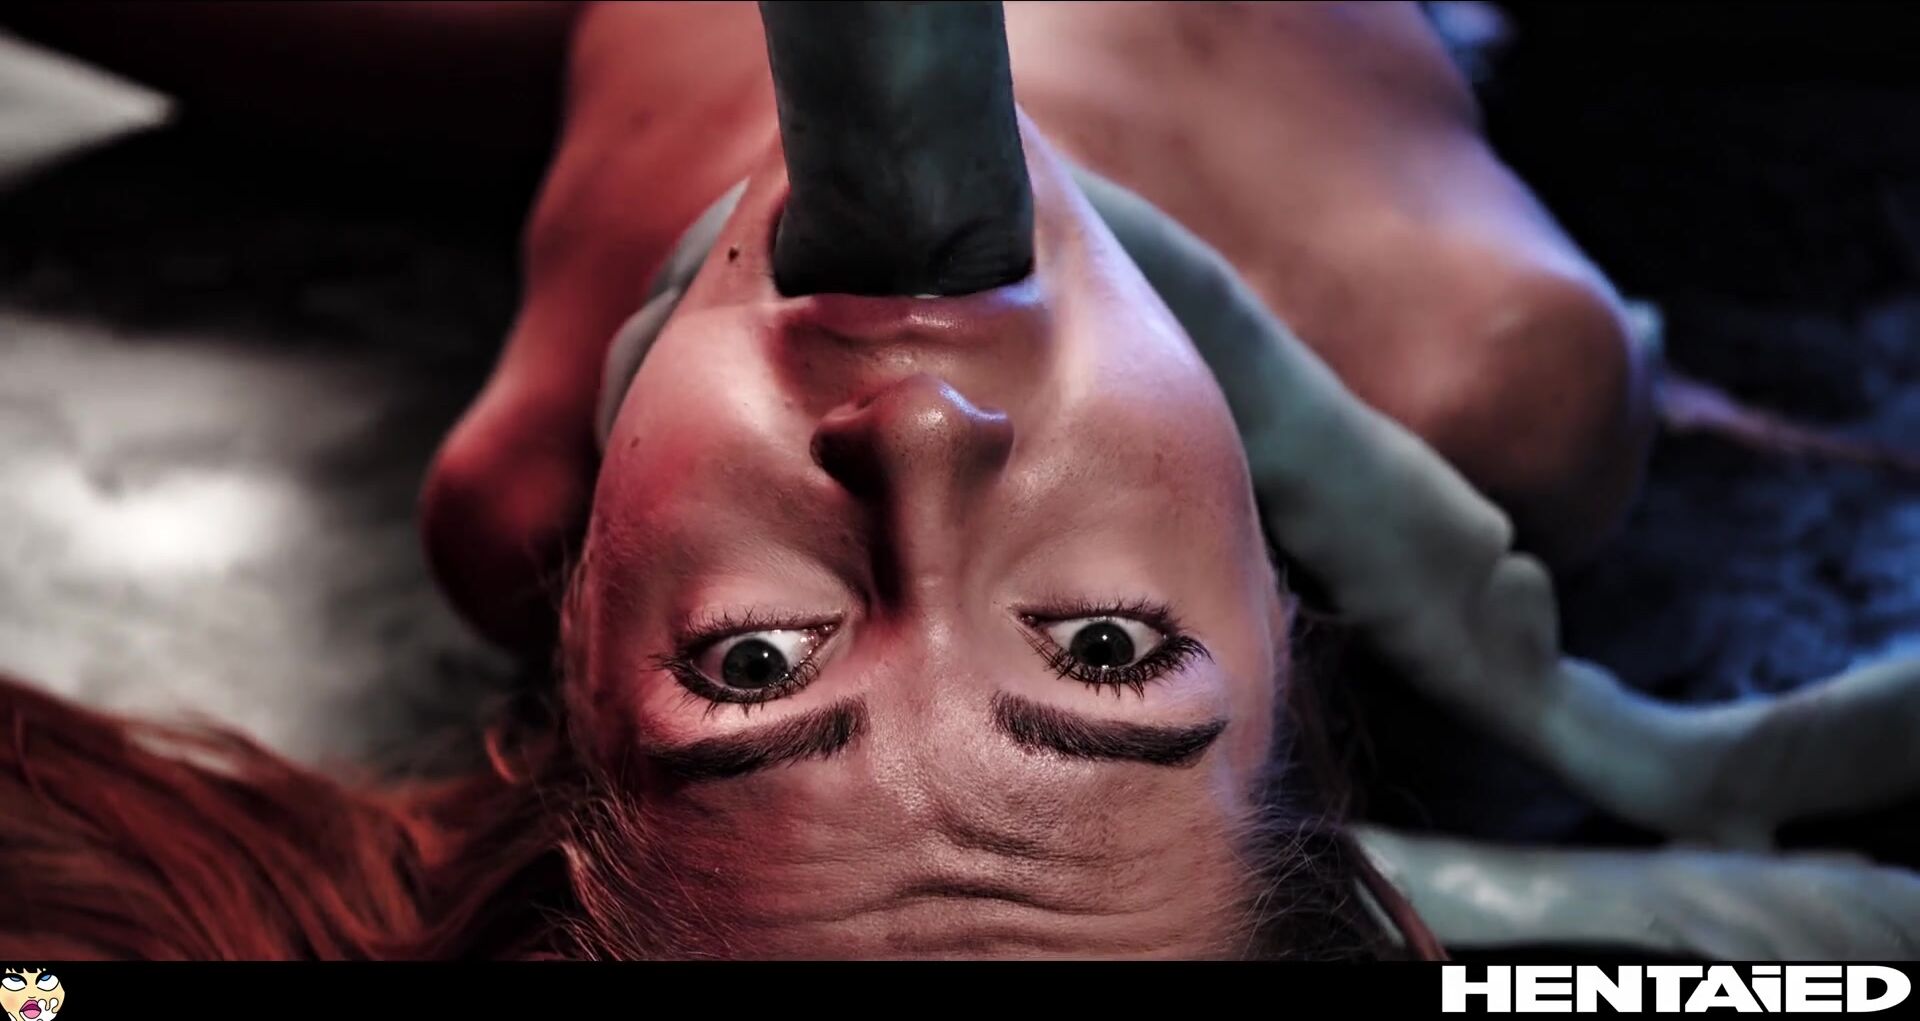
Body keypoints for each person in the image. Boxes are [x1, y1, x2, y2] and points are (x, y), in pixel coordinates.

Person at [0, 1, 1654, 959]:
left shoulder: (512, 489)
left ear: (578, 625)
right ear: (1286, 622)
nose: (920, 431)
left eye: (754, 661)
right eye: (1101, 647)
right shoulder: (1492, 371)